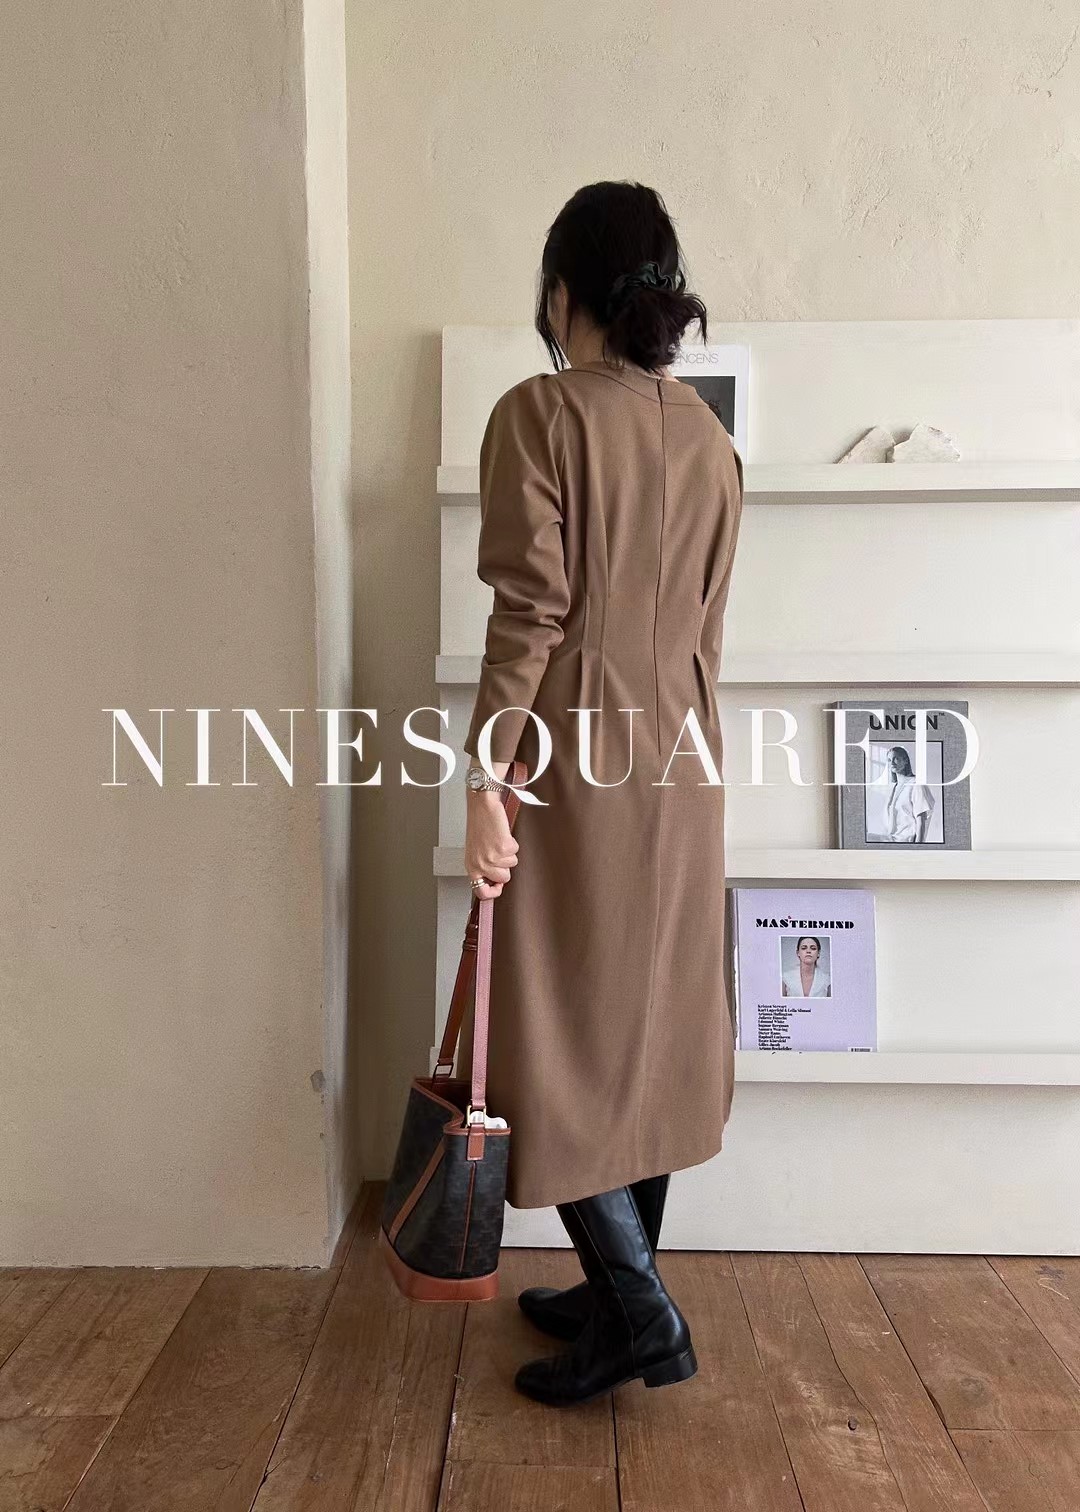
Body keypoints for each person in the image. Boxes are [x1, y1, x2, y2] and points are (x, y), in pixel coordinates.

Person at [458, 181, 744, 1406]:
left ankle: (640, 1315)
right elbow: (708, 633)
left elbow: (529, 612)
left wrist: (487, 776)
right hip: (686, 759)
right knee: (647, 1027)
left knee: (557, 1031)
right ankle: (617, 1284)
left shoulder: (541, 414)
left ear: (560, 289)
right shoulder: (713, 442)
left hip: (576, 758)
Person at [881, 745, 935, 843]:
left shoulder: (916, 784)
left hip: (907, 841)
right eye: (889, 760)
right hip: (891, 840)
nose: (892, 763)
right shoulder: (893, 788)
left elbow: (921, 822)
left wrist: (917, 848)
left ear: (905, 761)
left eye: (896, 759)